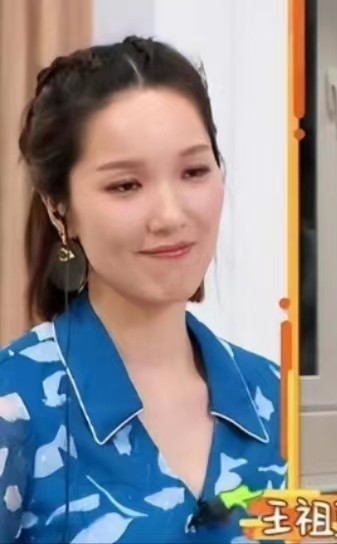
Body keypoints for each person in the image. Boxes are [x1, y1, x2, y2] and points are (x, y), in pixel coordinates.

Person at [0, 37, 285, 542]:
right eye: (126, 185)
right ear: (60, 209)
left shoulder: (275, 398)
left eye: (194, 171)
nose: (171, 215)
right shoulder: (15, 404)